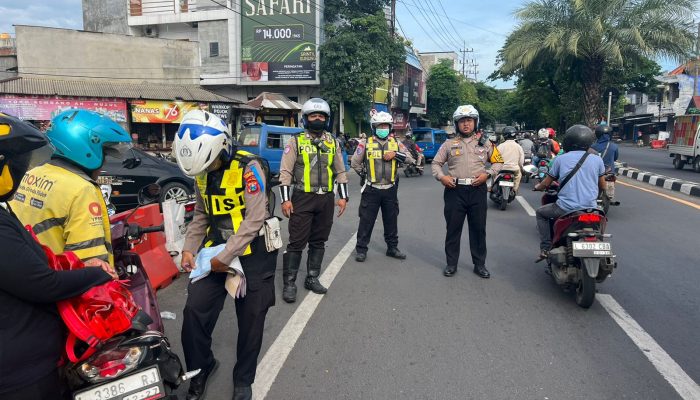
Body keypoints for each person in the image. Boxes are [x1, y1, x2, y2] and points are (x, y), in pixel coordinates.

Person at [0, 112, 114, 400]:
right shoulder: (81, 189)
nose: (23, 168)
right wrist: (101, 273)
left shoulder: (39, 176)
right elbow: (86, 257)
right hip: (28, 367)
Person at [175, 110, 278, 400]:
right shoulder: (202, 171)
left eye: (210, 163)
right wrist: (189, 248)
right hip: (215, 252)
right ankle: (201, 367)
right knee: (194, 311)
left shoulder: (249, 168)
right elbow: (201, 213)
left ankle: (244, 379)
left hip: (252, 252)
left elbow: (255, 218)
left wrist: (227, 256)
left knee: (251, 318)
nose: (206, 170)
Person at [11, 109, 132, 269]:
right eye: (104, 154)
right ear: (86, 151)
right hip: (61, 285)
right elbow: (90, 263)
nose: (103, 163)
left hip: (29, 274)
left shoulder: (31, 175)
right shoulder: (81, 190)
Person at [278, 98, 349, 303]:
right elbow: (285, 172)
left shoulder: (332, 142)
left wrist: (343, 197)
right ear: (306, 119)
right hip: (302, 198)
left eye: (321, 116)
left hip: (326, 198)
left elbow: (341, 171)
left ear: (326, 119)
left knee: (319, 241)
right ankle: (289, 283)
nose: (317, 118)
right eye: (313, 115)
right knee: (297, 242)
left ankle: (312, 277)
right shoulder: (296, 142)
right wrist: (285, 200)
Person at [431, 105, 503, 278]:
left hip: (477, 190)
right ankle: (451, 264)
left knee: (478, 229)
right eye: (462, 121)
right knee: (453, 229)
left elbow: (498, 162)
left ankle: (479, 264)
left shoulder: (485, 143)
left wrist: (488, 174)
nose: (466, 124)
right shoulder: (448, 144)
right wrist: (442, 177)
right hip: (454, 190)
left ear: (475, 122)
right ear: (457, 124)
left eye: (469, 121)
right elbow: (435, 164)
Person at [534, 125, 606, 259]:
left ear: (569, 142)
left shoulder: (560, 159)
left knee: (540, 213)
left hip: (566, 208)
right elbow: (602, 185)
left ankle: (545, 247)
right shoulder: (597, 160)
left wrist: (538, 187)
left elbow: (546, 183)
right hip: (591, 208)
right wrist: (594, 196)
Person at [351, 111, 413, 262]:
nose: (383, 128)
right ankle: (361, 250)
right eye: (380, 125)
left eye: (386, 125)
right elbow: (355, 163)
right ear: (374, 127)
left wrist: (395, 154)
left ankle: (392, 248)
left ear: (390, 127)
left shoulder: (396, 143)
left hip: (390, 189)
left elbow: (410, 159)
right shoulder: (365, 143)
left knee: (391, 220)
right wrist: (366, 176)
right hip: (372, 189)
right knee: (366, 220)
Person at [591, 124, 619, 203]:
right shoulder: (614, 146)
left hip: (595, 172)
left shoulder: (592, 146)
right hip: (609, 171)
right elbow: (615, 158)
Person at [497, 126, 525, 193]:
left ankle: (490, 187)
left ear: (504, 135)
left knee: (493, 175)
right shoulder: (518, 147)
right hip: (514, 168)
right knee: (518, 176)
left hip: (501, 168)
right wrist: (521, 168)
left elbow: (495, 159)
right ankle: (514, 190)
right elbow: (521, 162)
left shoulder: (500, 146)